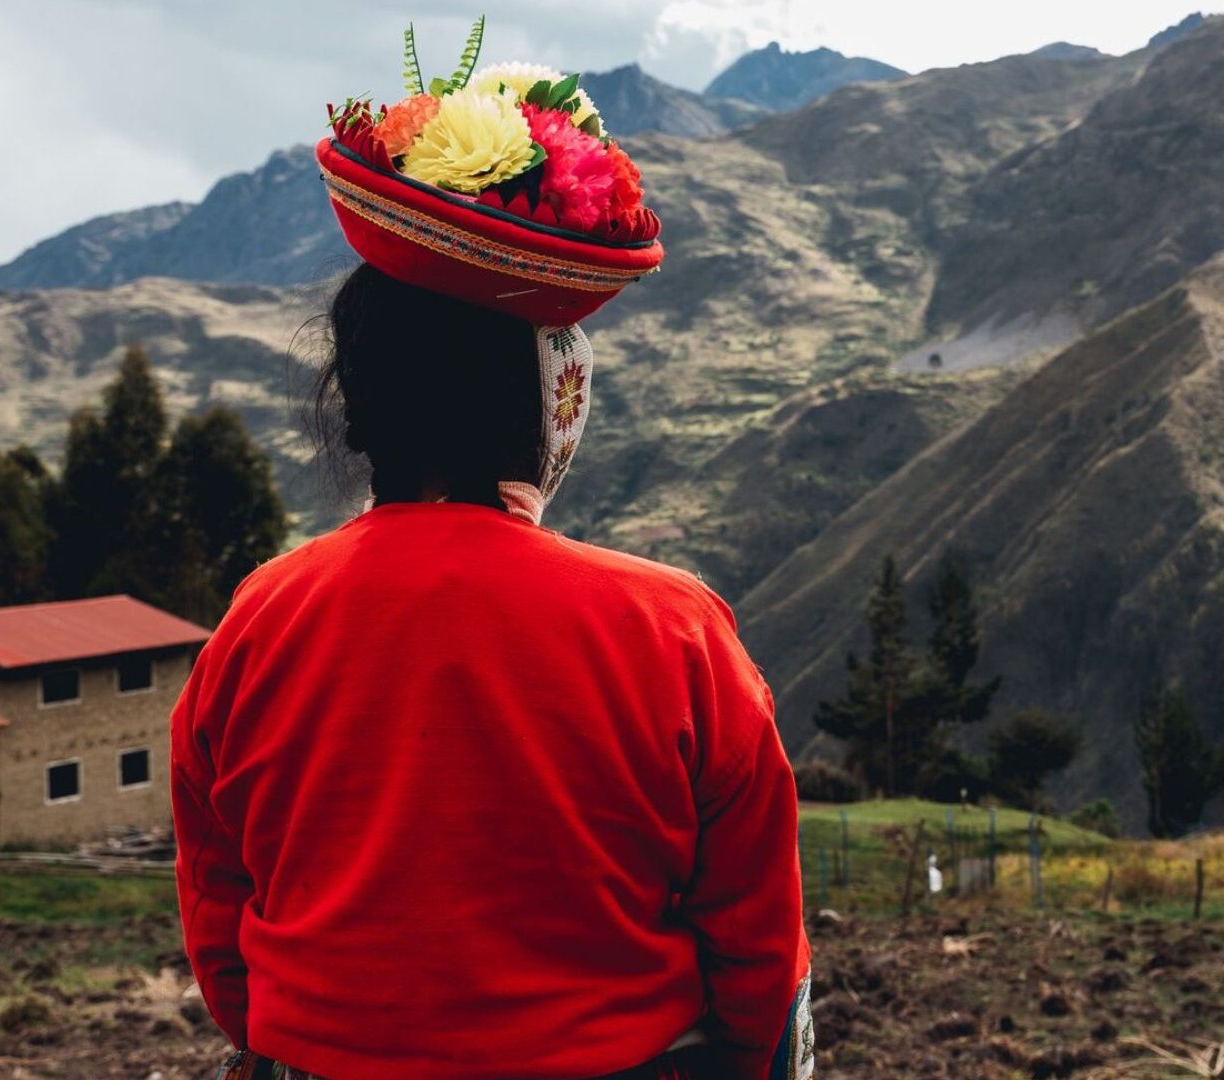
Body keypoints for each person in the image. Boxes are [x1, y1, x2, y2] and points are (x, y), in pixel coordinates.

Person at [172, 27, 811, 1080]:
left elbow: (222, 930)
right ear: (555, 402)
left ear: (359, 398)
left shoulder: (258, 624)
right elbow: (758, 955)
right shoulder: (674, 632)